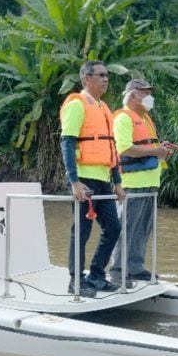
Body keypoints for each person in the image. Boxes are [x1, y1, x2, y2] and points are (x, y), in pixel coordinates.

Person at [59, 60, 126, 297]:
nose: (106, 79)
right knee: (82, 231)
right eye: (100, 75)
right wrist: (74, 181)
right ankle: (75, 281)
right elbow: (67, 142)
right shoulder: (77, 104)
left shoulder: (104, 107)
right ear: (86, 78)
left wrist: (117, 182)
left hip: (103, 179)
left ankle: (96, 275)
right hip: (84, 179)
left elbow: (112, 148)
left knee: (113, 228)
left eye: (107, 75)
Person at [109, 78, 173, 285]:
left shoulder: (145, 118)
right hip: (132, 184)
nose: (149, 97)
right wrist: (157, 151)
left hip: (150, 184)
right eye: (145, 93)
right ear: (133, 95)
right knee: (127, 228)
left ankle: (135, 268)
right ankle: (118, 271)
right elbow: (125, 148)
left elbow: (146, 147)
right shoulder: (124, 118)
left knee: (143, 228)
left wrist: (160, 149)